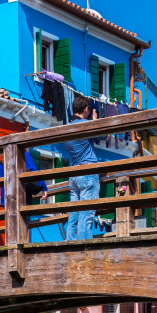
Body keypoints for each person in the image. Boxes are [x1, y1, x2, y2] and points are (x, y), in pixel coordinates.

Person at [64, 95, 101, 240]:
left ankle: (70, 243)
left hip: (74, 173)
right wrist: (95, 121)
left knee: (74, 213)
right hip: (87, 172)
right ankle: (85, 249)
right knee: (86, 214)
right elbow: (104, 136)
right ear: (86, 109)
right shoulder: (86, 124)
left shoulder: (66, 128)